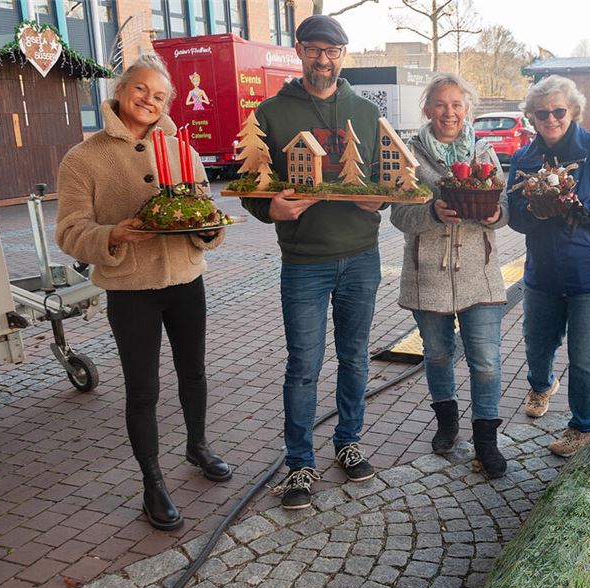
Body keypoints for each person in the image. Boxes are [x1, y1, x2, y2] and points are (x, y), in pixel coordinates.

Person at [55, 54, 231, 531]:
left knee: (194, 373)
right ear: (120, 90)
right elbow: (69, 231)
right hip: (132, 289)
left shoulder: (181, 149)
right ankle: (153, 483)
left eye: (159, 95)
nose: (149, 100)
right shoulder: (84, 158)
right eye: (140, 89)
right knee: (143, 390)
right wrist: (111, 235)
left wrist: (210, 231)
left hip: (185, 281)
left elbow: (204, 211)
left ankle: (197, 446)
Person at [241, 15, 383, 510]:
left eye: (333, 51)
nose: (324, 59)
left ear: (343, 55)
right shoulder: (270, 113)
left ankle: (348, 441)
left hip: (361, 257)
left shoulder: (366, 112)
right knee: (303, 364)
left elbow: (386, 179)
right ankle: (300, 463)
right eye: (315, 50)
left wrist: (380, 201)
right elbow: (251, 187)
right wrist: (270, 209)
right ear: (299, 50)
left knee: (355, 357)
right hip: (304, 261)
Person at [506, 75, 590, 457]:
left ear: (573, 111)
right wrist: (535, 211)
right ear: (531, 117)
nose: (551, 118)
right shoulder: (524, 159)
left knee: (587, 357)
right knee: (537, 343)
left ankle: (583, 427)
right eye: (541, 113)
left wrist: (583, 209)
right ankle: (542, 385)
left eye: (558, 111)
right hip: (544, 273)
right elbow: (515, 215)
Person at [390, 74, 509, 478]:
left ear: (467, 109)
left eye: (456, 104)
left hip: (480, 273)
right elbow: (398, 214)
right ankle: (447, 421)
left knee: (486, 361)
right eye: (440, 104)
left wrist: (496, 214)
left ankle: (486, 441)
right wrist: (431, 213)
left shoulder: (483, 151)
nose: (449, 112)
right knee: (438, 354)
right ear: (427, 109)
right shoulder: (410, 156)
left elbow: (504, 205)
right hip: (428, 273)